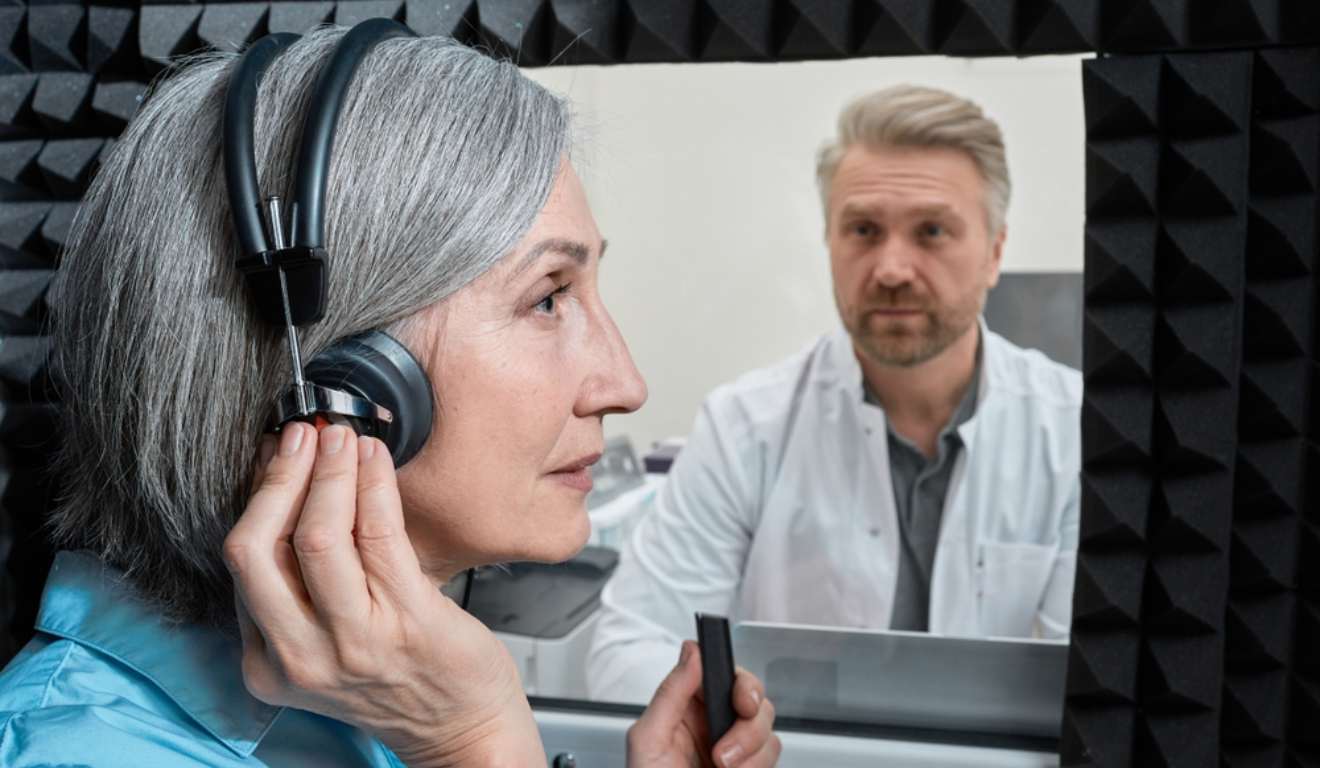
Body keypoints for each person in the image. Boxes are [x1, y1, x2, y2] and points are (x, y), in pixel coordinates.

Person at [0, 27, 779, 767]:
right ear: (341, 388)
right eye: (547, 298)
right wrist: (478, 741)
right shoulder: (79, 752)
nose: (625, 385)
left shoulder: (377, 689)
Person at [588, 85, 1082, 703]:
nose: (892, 268)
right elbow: (629, 645)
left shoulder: (1075, 431)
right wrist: (728, 714)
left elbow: (1092, 683)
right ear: (830, 240)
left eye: (931, 231)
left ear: (995, 252)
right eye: (864, 230)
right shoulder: (745, 426)